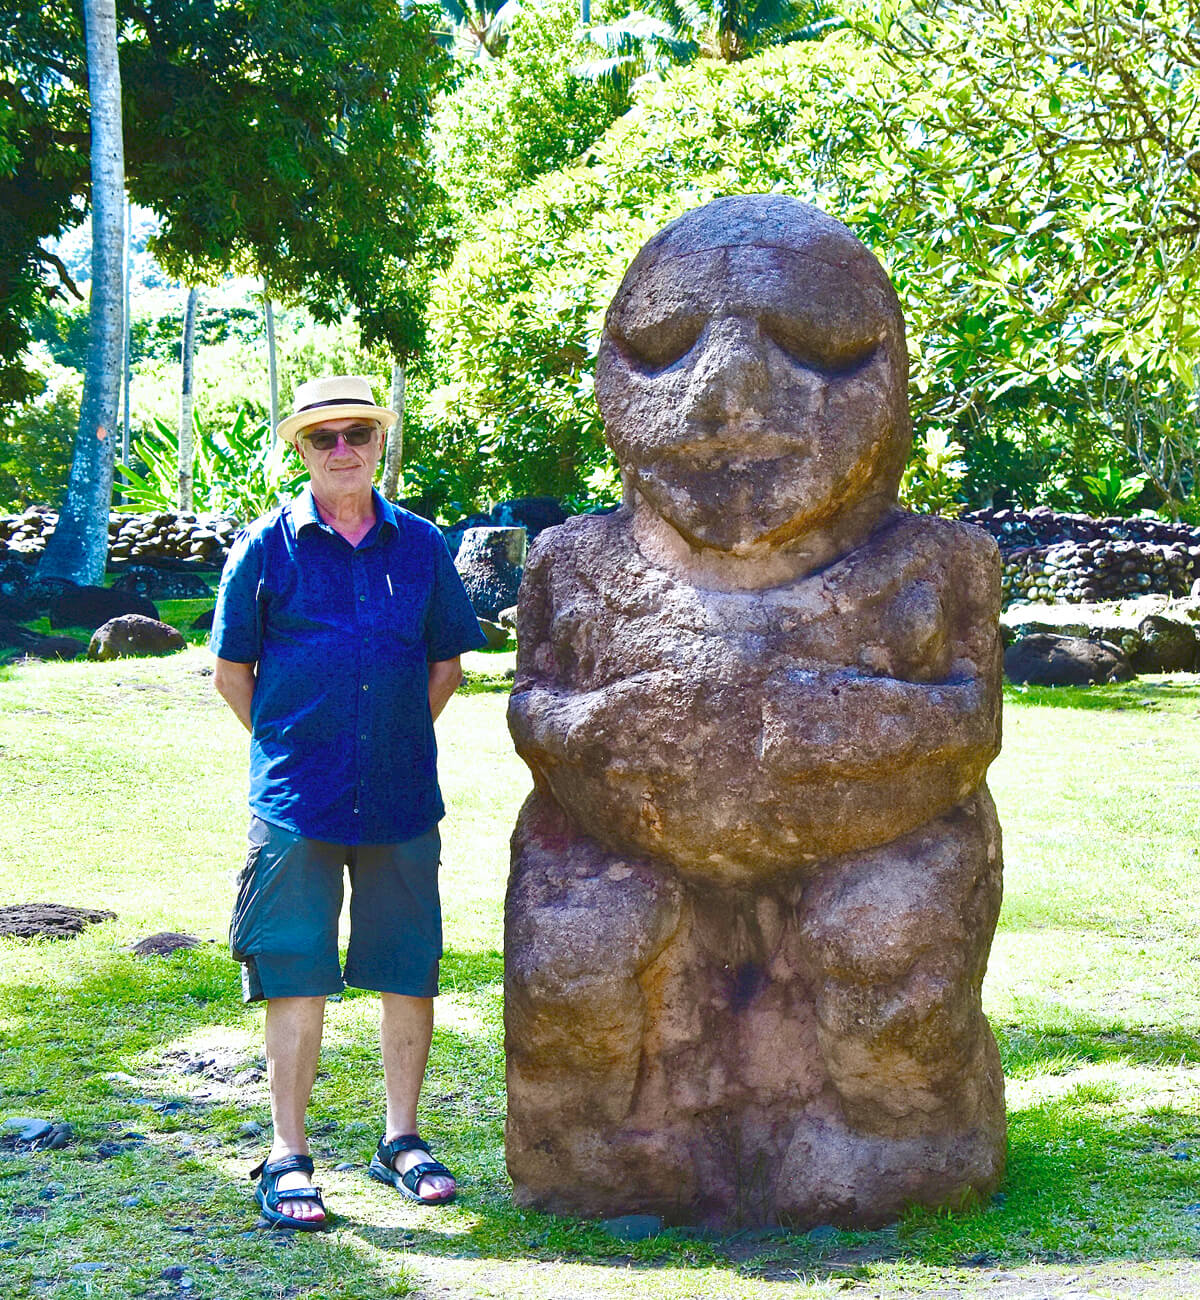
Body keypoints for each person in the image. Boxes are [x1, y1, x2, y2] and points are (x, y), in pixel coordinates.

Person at [210, 374, 486, 1230]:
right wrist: (298, 746)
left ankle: (402, 1140)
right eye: (323, 437)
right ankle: (288, 1156)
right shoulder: (266, 548)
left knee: (408, 968)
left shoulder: (424, 546)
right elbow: (231, 674)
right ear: (299, 450)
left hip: (403, 794)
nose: (342, 450)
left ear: (378, 445)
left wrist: (390, 733)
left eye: (357, 434)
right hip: (297, 800)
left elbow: (448, 664)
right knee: (295, 971)